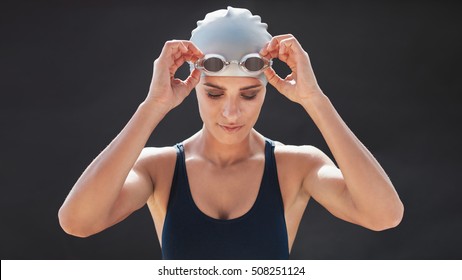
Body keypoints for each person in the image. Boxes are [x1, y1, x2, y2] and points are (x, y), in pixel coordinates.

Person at [58, 6, 404, 260]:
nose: (231, 112)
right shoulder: (158, 169)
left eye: (249, 94)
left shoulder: (297, 166)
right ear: (193, 85)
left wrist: (315, 101)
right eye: (214, 93)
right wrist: (153, 107)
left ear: (267, 88)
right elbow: (77, 222)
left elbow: (384, 215)